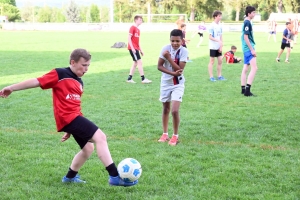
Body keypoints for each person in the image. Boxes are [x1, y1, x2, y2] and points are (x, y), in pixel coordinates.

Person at [0, 48, 138, 187]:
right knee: (100, 137)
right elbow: (37, 81)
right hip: (68, 118)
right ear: (73, 62)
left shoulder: (79, 82)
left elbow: (75, 107)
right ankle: (114, 176)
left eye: (88, 65)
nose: (86, 69)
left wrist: (72, 129)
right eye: (84, 65)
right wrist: (12, 87)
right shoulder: (60, 74)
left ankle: (70, 177)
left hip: (72, 119)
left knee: (88, 148)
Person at [157, 29, 188, 146]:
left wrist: (169, 58)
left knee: (174, 110)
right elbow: (159, 66)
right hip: (165, 83)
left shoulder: (184, 51)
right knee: (165, 109)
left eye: (177, 41)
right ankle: (165, 134)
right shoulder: (165, 49)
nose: (175, 43)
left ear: (182, 41)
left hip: (177, 84)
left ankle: (175, 136)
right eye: (172, 41)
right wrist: (172, 73)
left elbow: (179, 70)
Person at [126, 15, 152, 84]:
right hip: (133, 48)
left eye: (141, 20)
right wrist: (132, 48)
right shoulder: (132, 27)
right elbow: (129, 38)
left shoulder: (138, 30)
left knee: (135, 63)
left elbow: (138, 42)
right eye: (140, 20)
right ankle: (143, 78)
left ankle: (129, 78)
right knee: (139, 62)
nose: (141, 21)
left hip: (136, 48)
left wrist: (141, 50)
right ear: (136, 20)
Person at [241, 6, 258, 97]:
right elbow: (245, 37)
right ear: (249, 14)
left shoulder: (246, 22)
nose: (254, 14)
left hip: (245, 48)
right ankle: (247, 91)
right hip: (248, 49)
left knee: (245, 68)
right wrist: (252, 49)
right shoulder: (247, 22)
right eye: (253, 13)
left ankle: (243, 89)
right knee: (254, 68)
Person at [208, 10, 225, 82]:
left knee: (220, 61)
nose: (220, 17)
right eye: (219, 16)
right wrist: (218, 41)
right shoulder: (211, 26)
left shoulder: (220, 25)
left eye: (221, 16)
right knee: (212, 61)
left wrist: (221, 45)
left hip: (218, 46)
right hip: (213, 46)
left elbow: (221, 36)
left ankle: (219, 76)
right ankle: (211, 77)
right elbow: (210, 37)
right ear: (215, 17)